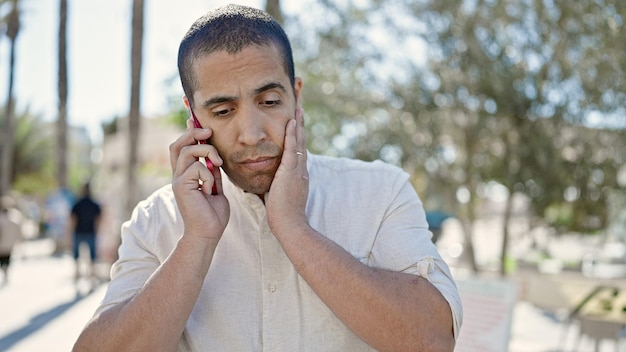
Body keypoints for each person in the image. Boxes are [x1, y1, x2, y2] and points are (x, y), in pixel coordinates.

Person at [74, 4, 462, 351]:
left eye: (270, 102)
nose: (252, 133)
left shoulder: (380, 192)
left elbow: (433, 340)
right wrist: (196, 240)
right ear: (193, 116)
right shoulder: (154, 220)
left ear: (296, 95)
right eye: (223, 111)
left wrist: (294, 228)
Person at [70, 182, 101, 283]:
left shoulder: (77, 203)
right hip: (90, 231)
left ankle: (77, 275)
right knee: (92, 256)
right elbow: (99, 218)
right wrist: (97, 230)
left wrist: (70, 231)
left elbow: (73, 219)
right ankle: (91, 275)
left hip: (79, 231)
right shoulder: (94, 204)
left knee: (77, 255)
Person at [0, 196, 22, 285]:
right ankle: (5, 272)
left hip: (3, 244)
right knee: (6, 259)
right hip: (9, 244)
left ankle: (5, 272)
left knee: (4, 260)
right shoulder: (13, 218)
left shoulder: (12, 218)